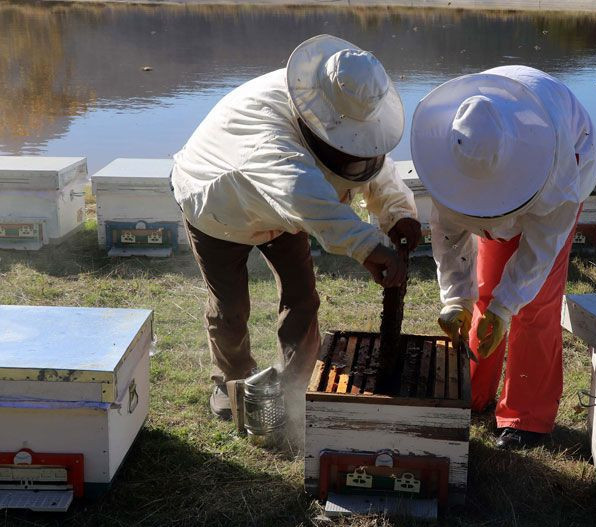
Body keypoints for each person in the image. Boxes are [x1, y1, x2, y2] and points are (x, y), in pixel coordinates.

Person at [171, 34, 421, 422]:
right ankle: (230, 382)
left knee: (302, 296)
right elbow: (305, 196)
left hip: (285, 215)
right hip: (218, 207)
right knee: (231, 307)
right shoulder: (271, 142)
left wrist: (397, 211)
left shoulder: (342, 105)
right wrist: (372, 246)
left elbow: (372, 161)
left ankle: (296, 383)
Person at [410, 66, 596, 450]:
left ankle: (525, 418)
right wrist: (454, 298)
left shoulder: (557, 171)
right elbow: (448, 234)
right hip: (511, 163)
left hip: (570, 162)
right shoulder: (452, 148)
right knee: (485, 293)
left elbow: (540, 249)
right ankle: (472, 393)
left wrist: (508, 304)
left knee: (534, 306)